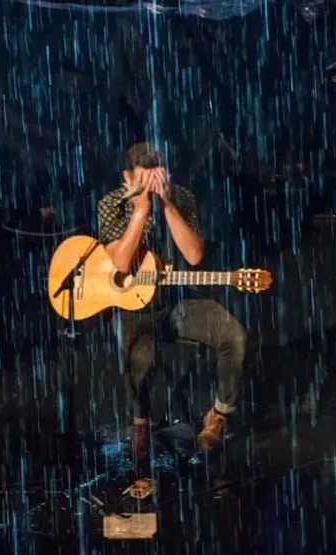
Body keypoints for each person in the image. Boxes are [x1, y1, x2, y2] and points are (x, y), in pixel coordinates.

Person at [96, 142, 248, 460]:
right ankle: (139, 421)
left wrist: (166, 206)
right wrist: (140, 211)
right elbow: (121, 264)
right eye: (143, 181)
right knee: (138, 360)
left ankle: (217, 416)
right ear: (127, 178)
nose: (150, 188)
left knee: (233, 335)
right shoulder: (112, 204)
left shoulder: (181, 198)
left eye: (156, 179)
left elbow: (193, 255)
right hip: (133, 307)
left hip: (175, 303)